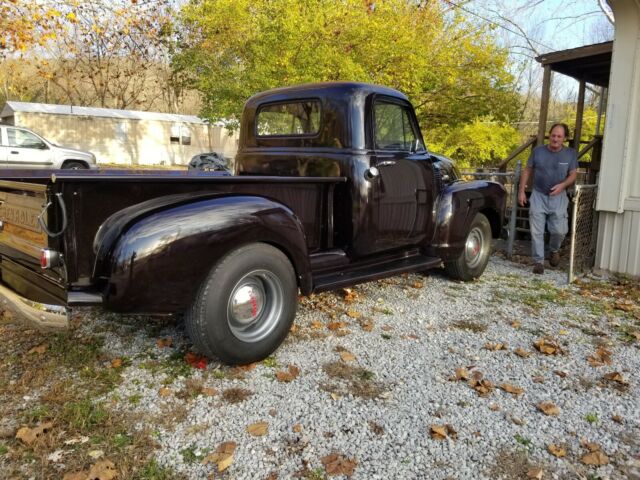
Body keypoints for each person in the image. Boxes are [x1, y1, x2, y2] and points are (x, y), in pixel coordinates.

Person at [518, 123, 578, 274]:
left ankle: (554, 250)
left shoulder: (570, 154)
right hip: (538, 195)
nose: (555, 139)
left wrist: (563, 185)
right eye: (553, 135)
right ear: (549, 136)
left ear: (564, 138)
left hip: (559, 196)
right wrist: (521, 191)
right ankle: (538, 262)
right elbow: (527, 170)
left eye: (559, 136)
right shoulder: (538, 152)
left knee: (559, 230)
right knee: (536, 230)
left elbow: (573, 174)